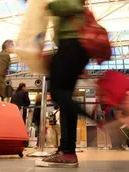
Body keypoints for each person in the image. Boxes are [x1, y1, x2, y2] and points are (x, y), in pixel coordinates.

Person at [35, 0, 92, 168]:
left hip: (72, 45)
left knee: (59, 93)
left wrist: (49, 7)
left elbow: (74, 5)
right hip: (72, 47)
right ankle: (67, 152)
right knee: (64, 97)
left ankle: (95, 122)